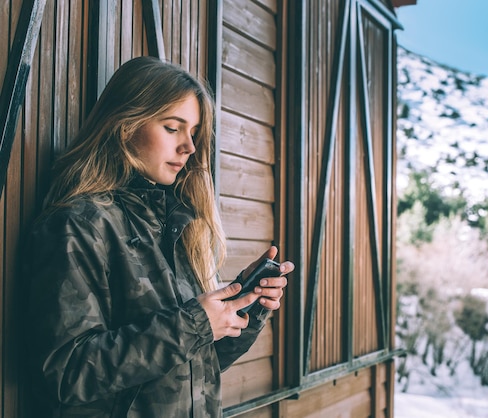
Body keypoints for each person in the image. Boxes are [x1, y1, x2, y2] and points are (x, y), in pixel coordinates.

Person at [23, 56, 292, 417]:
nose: (190, 147)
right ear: (125, 124)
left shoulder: (174, 225)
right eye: (172, 128)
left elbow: (194, 364)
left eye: (193, 132)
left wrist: (243, 306)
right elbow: (68, 372)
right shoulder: (78, 225)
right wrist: (196, 323)